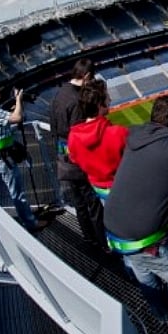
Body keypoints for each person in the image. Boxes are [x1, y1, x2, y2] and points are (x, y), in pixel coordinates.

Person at [104, 95, 168, 334]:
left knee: (146, 276)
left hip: (116, 231)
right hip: (145, 237)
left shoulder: (134, 134)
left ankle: (161, 316)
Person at [0, 78, 47, 232]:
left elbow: (11, 117)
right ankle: (30, 223)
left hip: (3, 155)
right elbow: (17, 118)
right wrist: (18, 99)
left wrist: (17, 105)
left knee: (17, 191)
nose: (0, 91)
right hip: (4, 159)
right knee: (18, 193)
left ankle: (28, 215)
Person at [49, 58, 104, 246]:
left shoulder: (58, 95)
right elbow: (79, 135)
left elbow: (54, 128)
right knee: (93, 203)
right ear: (87, 76)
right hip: (76, 160)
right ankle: (102, 243)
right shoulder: (77, 100)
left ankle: (89, 238)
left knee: (79, 203)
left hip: (63, 158)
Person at [67, 79, 128, 228]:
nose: (110, 99)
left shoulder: (73, 137)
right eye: (107, 97)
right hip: (124, 190)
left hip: (100, 191)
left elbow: (74, 159)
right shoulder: (118, 133)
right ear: (100, 105)